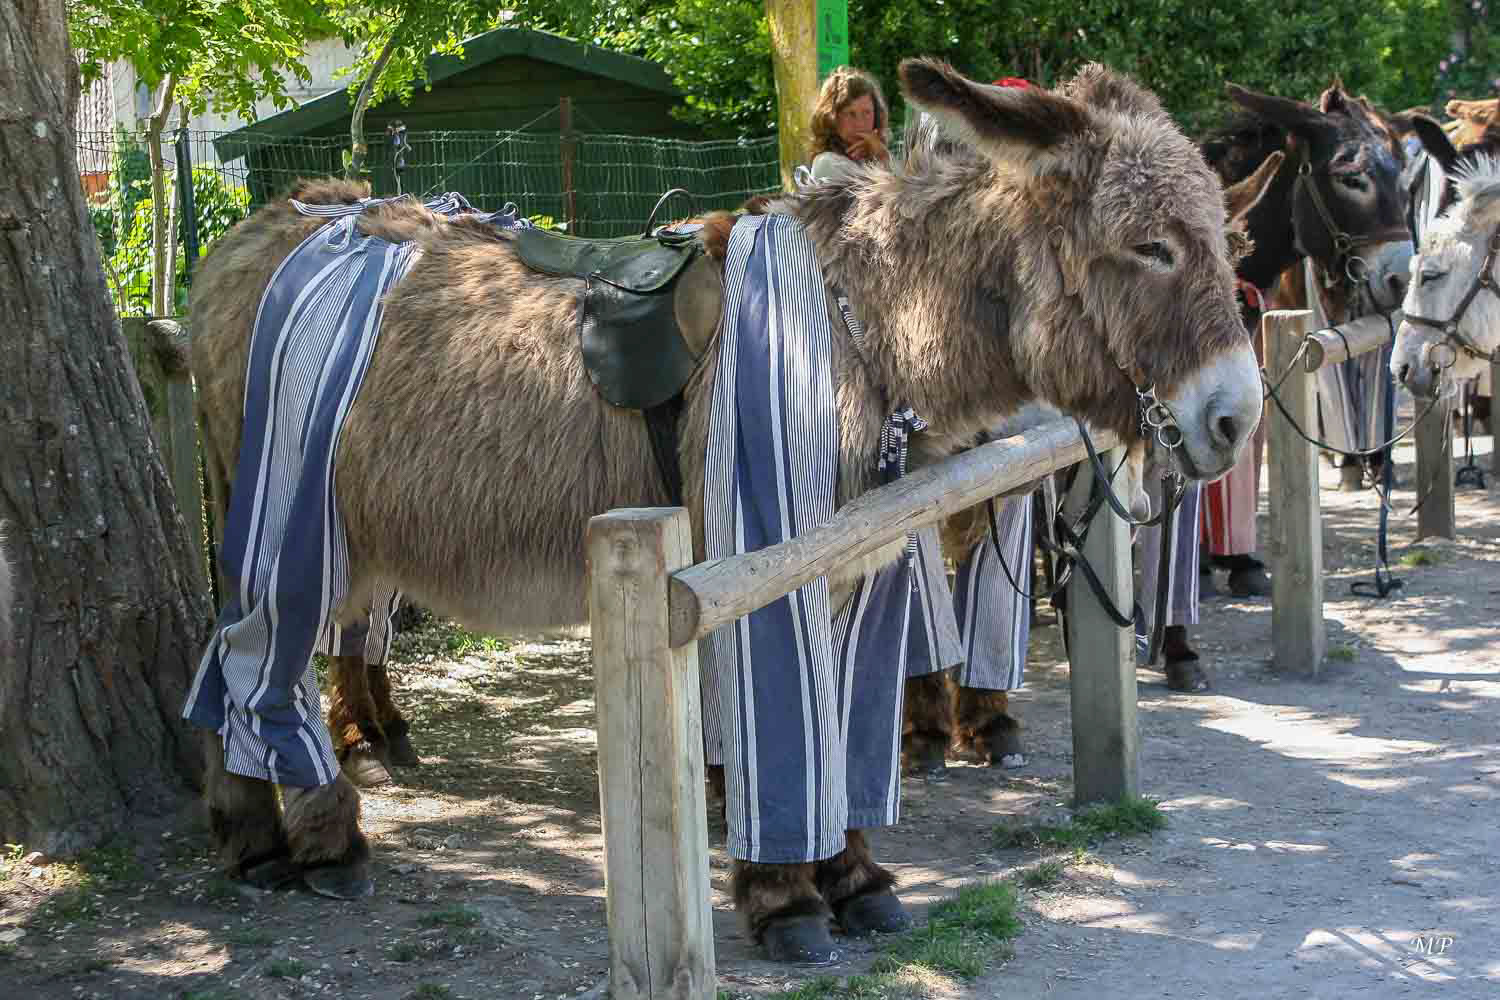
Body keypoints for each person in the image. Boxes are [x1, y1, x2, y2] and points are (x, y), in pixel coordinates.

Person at [808, 66, 893, 184]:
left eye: (867, 113)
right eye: (850, 114)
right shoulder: (828, 163)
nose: (860, 123)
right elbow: (889, 193)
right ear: (832, 118)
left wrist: (879, 154)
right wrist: (882, 157)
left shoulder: (869, 158)